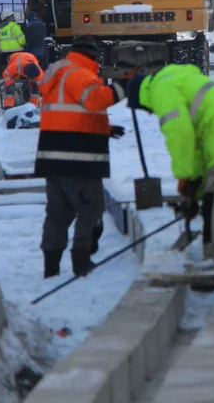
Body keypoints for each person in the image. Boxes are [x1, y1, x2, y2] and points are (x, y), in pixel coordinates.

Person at [126, 65, 214, 263]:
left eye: (145, 110)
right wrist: (195, 189)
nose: (150, 113)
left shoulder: (160, 89)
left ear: (141, 98)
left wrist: (186, 177)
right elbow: (196, 148)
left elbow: (179, 133)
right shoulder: (175, 81)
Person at [35, 38, 127, 279]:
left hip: (53, 156)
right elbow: (95, 100)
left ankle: (51, 268)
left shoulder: (61, 74)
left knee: (58, 213)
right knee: (91, 208)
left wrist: (105, 129)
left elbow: (71, 114)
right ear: (93, 57)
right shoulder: (79, 73)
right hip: (77, 158)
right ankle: (81, 259)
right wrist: (123, 87)